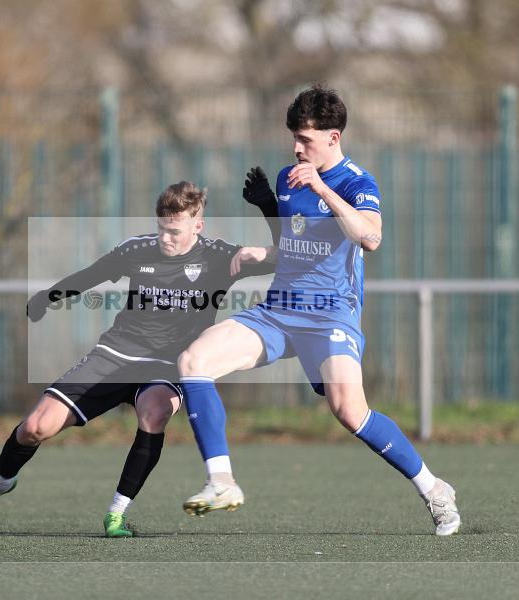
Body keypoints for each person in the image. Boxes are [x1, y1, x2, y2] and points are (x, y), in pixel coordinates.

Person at [176, 85, 461, 536]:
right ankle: (222, 482)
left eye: (305, 139)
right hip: (279, 310)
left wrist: (322, 188)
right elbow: (291, 245)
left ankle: (434, 488)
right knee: (193, 361)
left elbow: (370, 237)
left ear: (333, 137)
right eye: (294, 137)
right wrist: (269, 211)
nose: (296, 147)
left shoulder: (356, 183)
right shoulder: (290, 177)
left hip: (331, 314)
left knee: (350, 411)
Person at [0, 180, 278, 537]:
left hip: (168, 365)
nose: (165, 238)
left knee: (155, 411)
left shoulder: (219, 256)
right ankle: (0, 482)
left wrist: (269, 208)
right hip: (115, 353)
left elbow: (283, 256)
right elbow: (93, 275)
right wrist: (49, 296)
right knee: (35, 428)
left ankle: (116, 513)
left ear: (198, 225)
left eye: (175, 232)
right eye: (161, 228)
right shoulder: (137, 250)